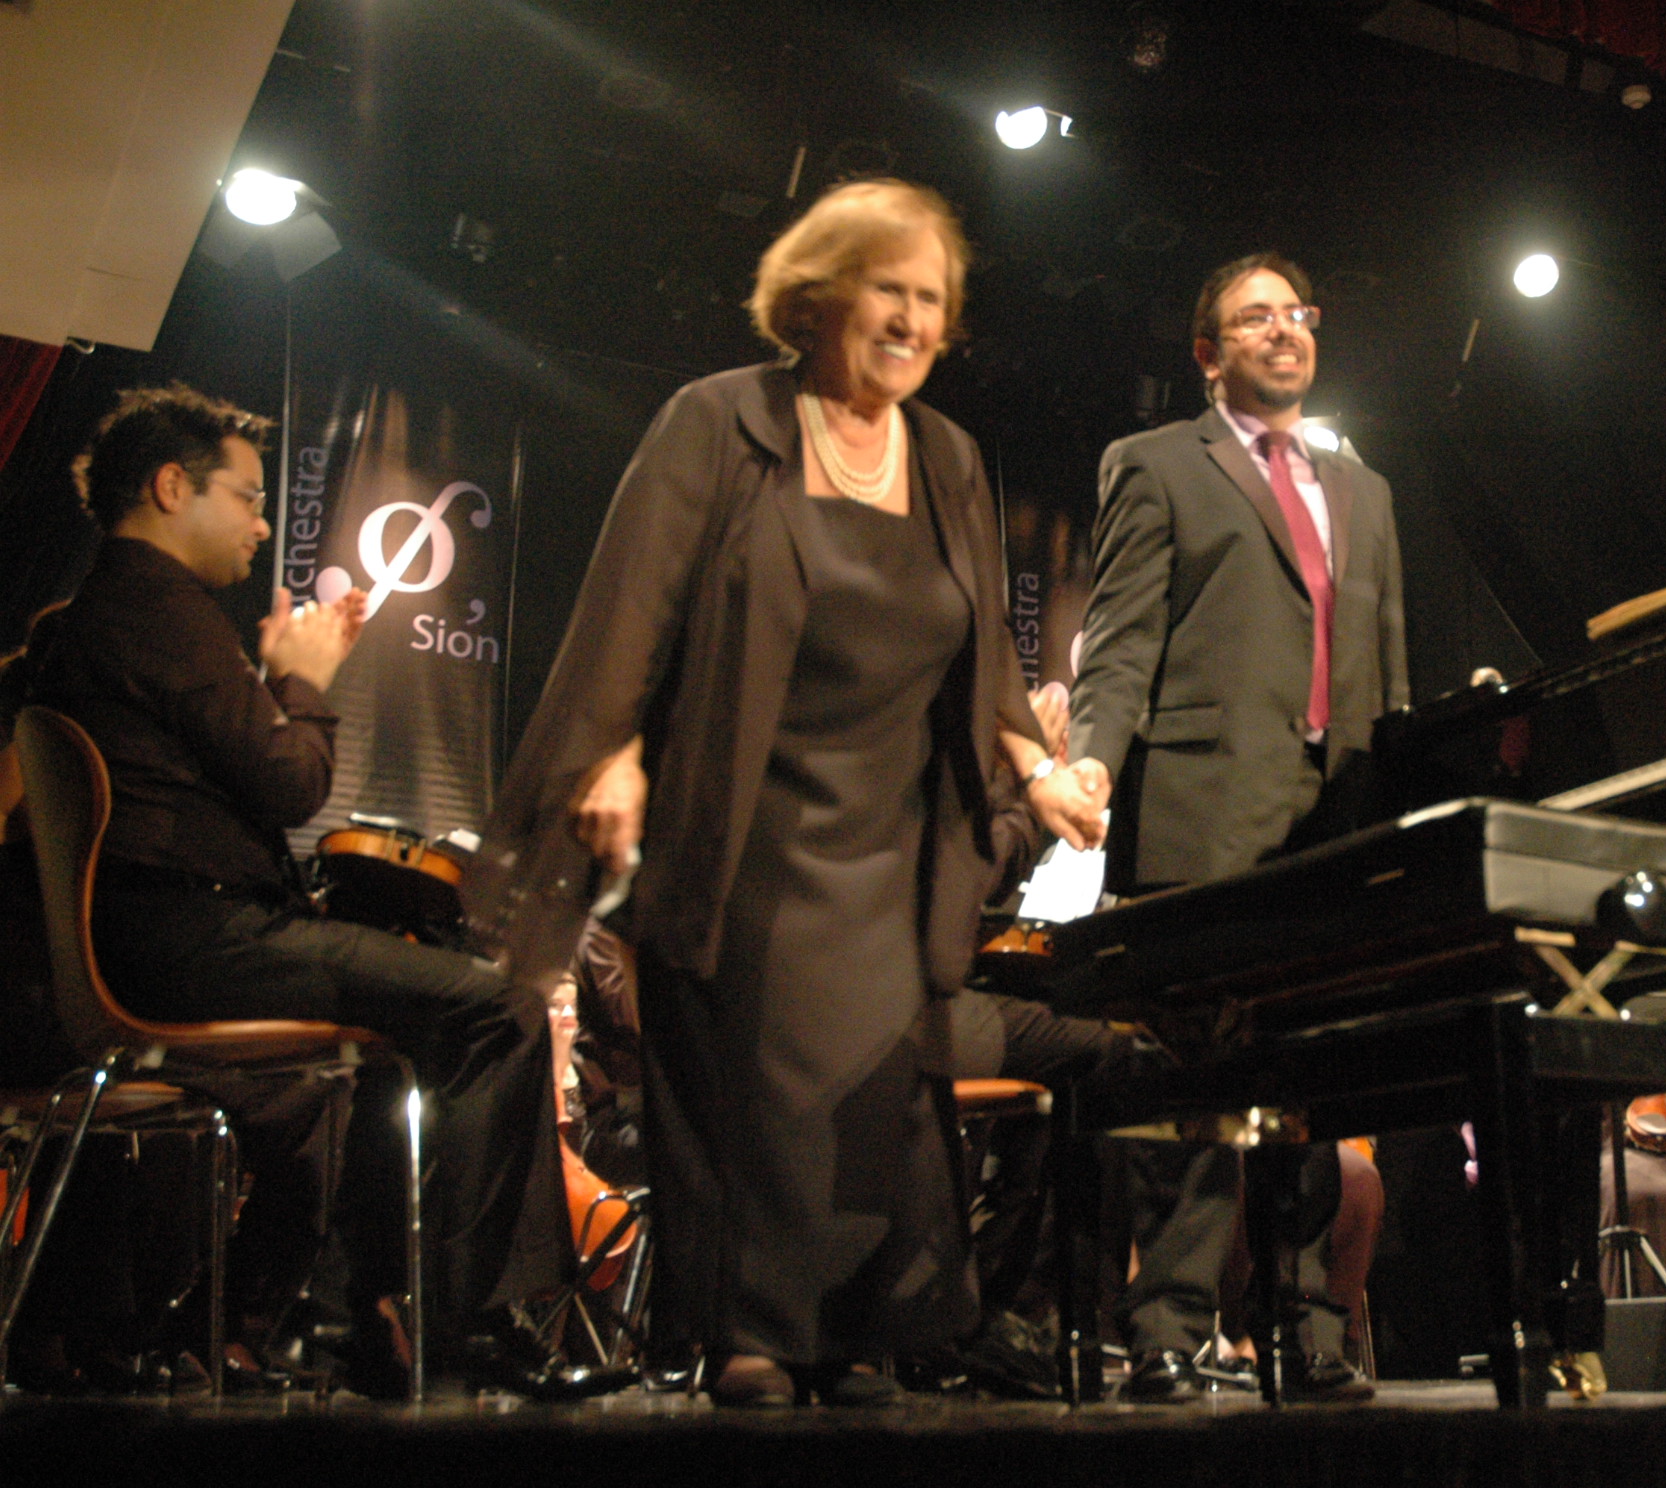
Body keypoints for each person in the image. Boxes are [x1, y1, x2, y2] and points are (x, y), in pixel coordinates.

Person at [473, 179, 1104, 1408]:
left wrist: (1036, 767)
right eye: (887, 290)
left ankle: (861, 1329)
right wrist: (612, 752)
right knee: (751, 1090)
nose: (911, 320)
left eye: (931, 299)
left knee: (878, 1094)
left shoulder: (947, 457)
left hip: (893, 838)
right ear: (816, 296)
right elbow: (633, 610)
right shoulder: (718, 423)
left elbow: (978, 647)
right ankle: (747, 1332)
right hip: (744, 819)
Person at [1, 384, 573, 1395]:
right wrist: (305, 680)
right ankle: (479, 1319)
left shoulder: (93, 617)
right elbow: (291, 785)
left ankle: (361, 1315)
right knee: (504, 1012)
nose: (265, 526)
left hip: (160, 937)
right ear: (171, 488)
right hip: (190, 942)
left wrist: (280, 683)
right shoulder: (161, 612)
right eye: (250, 499)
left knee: (403, 1040)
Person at [1064, 252, 1409, 1402]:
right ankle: (1165, 1328)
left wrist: (1394, 807)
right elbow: (1121, 639)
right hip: (1201, 810)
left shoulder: (1365, 489)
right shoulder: (1156, 463)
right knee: (1192, 1083)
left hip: (1333, 824)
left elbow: (1385, 670)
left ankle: (1304, 1330)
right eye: (1253, 317)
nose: (1281, 330)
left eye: (1295, 313)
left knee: (1311, 1085)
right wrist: (1092, 762)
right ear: (1207, 354)